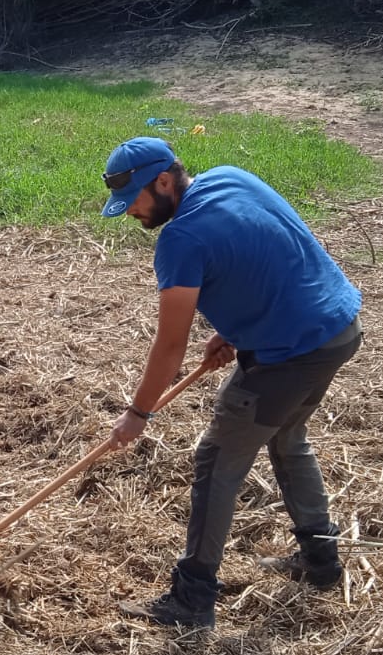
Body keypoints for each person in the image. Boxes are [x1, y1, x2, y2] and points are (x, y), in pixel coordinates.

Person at [99, 136, 363, 629]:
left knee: (217, 459)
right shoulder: (230, 177)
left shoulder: (180, 240)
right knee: (287, 437)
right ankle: (321, 561)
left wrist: (138, 413)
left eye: (134, 198)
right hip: (339, 330)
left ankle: (192, 597)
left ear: (162, 181)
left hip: (292, 354)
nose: (132, 212)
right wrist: (237, 331)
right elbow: (273, 259)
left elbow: (170, 346)